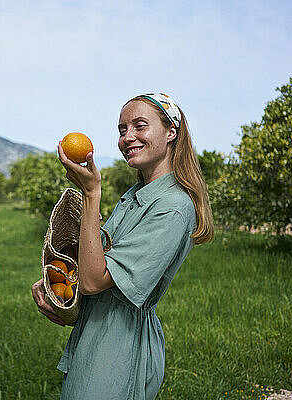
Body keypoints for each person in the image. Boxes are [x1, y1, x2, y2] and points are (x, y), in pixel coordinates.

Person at [31, 92, 214, 399]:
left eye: (139, 126)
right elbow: (93, 265)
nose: (128, 137)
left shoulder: (172, 207)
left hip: (119, 348)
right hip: (97, 336)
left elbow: (93, 281)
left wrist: (91, 194)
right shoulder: (137, 194)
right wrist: (61, 283)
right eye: (122, 130)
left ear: (171, 132)